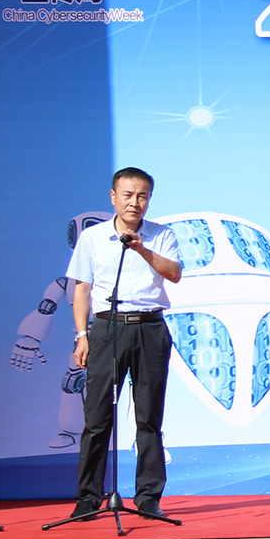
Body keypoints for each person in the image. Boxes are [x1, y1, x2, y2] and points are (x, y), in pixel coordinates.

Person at [66, 167, 181, 520]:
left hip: (149, 328)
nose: (135, 202)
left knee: (149, 417)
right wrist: (82, 335)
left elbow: (174, 274)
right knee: (97, 418)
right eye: (128, 195)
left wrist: (142, 249)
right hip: (107, 329)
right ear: (113, 197)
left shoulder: (161, 235)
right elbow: (82, 289)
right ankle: (88, 497)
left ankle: (148, 497)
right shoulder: (93, 238)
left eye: (142, 196)